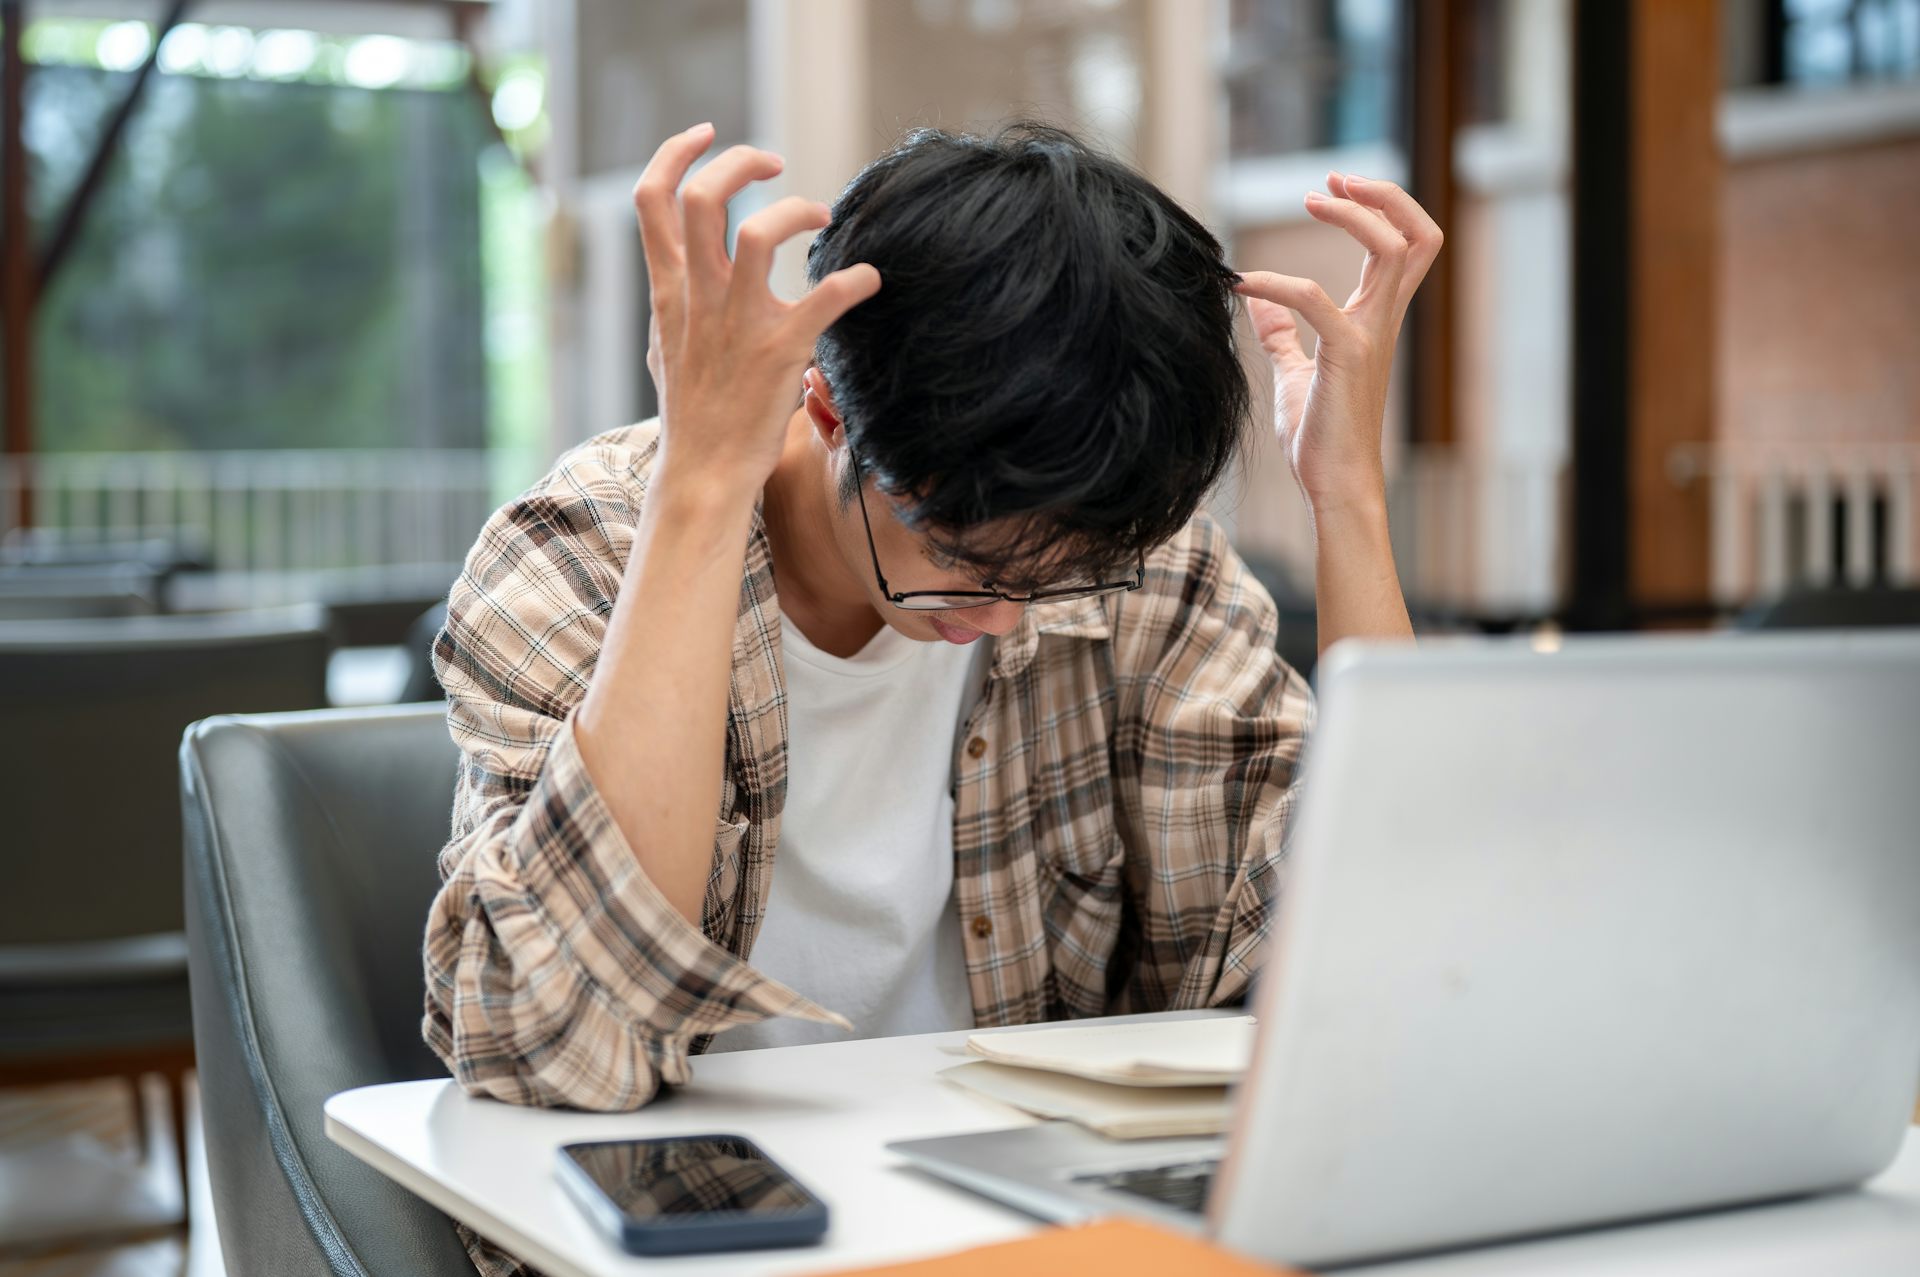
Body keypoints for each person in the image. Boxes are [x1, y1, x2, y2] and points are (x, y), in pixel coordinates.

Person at [424, 120, 1436, 1275]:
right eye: (961, 555)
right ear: (824, 411)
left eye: (1057, 575)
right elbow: (567, 1043)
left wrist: (1347, 499)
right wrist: (702, 484)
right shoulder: (582, 557)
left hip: (1026, 1231)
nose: (1007, 612)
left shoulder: (1131, 566)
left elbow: (1374, 982)